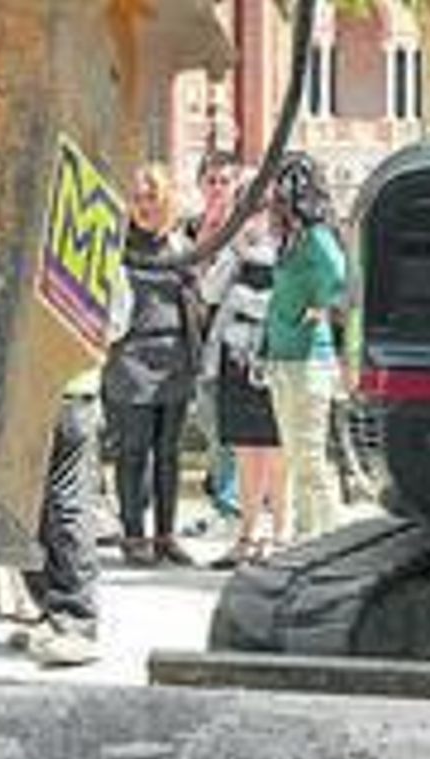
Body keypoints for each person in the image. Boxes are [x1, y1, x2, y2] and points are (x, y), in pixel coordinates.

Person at [103, 163, 201, 567]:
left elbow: (195, 298)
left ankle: (165, 535)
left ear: (166, 201)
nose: (144, 206)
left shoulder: (179, 246)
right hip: (132, 355)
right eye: (138, 198)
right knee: (133, 450)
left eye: (152, 198)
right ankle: (133, 534)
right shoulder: (117, 245)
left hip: (174, 354)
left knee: (169, 453)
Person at [263, 153, 346, 542]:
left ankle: (330, 538)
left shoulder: (315, 237)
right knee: (296, 457)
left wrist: (319, 308)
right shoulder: (291, 240)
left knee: (310, 459)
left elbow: (343, 278)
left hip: (309, 360)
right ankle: (305, 536)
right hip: (284, 358)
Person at [201, 203, 286, 568]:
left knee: (278, 448)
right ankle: (246, 535)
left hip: (275, 355)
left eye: (261, 209)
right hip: (235, 356)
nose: (255, 219)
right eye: (248, 209)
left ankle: (280, 535)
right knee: (245, 448)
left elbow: (291, 301)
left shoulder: (288, 246)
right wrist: (231, 252)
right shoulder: (235, 249)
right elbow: (209, 293)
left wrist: (245, 299)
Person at [16, 373, 103, 667]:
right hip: (42, 391)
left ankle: (75, 623)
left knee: (64, 505)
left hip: (61, 390)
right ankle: (53, 615)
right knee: (33, 507)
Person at [184, 151, 242, 529]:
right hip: (194, 336)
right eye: (211, 181)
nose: (218, 188)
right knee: (208, 420)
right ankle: (223, 490)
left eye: (225, 181)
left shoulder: (244, 229)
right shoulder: (188, 229)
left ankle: (229, 501)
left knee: (226, 423)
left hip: (232, 338)